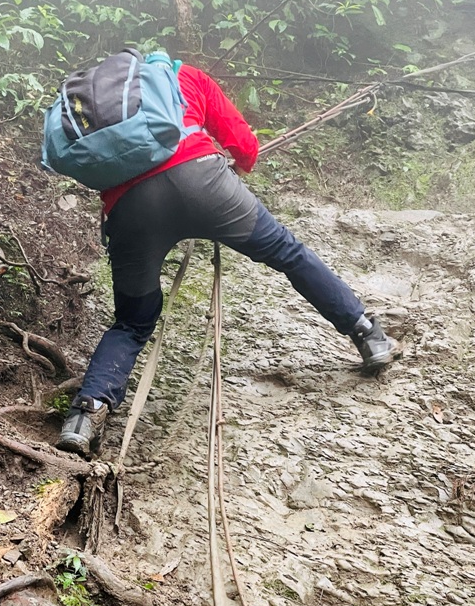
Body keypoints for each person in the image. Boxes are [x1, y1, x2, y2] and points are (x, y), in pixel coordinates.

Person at [57, 52, 400, 456]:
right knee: (287, 252)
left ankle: (86, 412)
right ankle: (366, 334)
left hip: (131, 209)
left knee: (132, 321)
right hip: (205, 182)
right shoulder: (184, 75)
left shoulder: (99, 113)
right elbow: (244, 145)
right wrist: (234, 167)